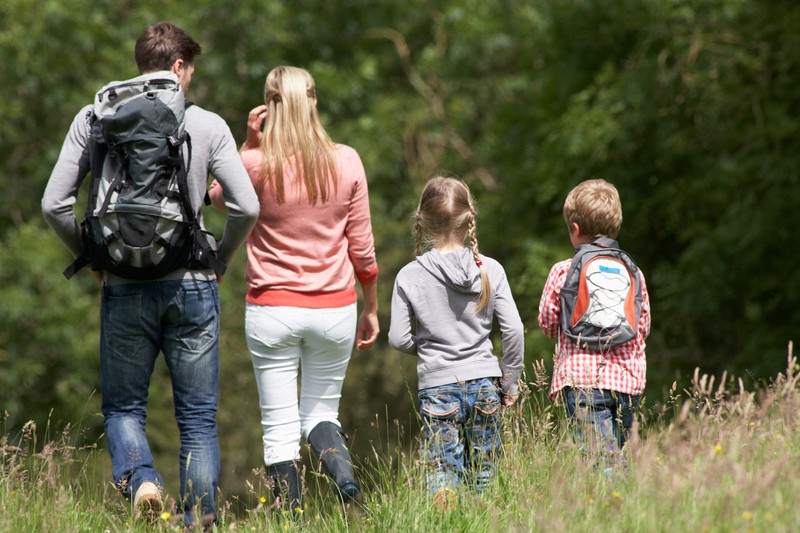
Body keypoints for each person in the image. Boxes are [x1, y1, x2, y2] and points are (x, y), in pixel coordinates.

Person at [42, 22, 259, 527]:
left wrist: (95, 256)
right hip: (192, 286)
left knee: (123, 410)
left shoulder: (94, 118)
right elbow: (246, 207)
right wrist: (220, 258)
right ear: (179, 67)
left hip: (122, 286)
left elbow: (54, 205)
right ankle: (200, 520)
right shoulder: (205, 124)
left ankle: (141, 480)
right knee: (199, 420)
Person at [208, 66, 379, 512]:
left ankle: (292, 518)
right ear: (314, 102)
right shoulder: (347, 160)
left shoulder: (253, 164)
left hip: (272, 309)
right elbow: (362, 248)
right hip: (335, 307)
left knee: (279, 427)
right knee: (321, 414)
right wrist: (372, 306)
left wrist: (248, 146)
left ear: (268, 108)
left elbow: (216, 197)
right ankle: (343, 476)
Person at [388, 176, 524, 507]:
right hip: (484, 384)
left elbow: (397, 338)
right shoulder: (490, 269)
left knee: (442, 470)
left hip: (437, 385)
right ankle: (485, 521)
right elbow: (515, 330)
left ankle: (446, 516)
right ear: (470, 217)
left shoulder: (409, 275)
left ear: (420, 219)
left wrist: (428, 344)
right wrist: (511, 380)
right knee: (485, 470)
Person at [538, 178, 650, 473]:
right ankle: (619, 510)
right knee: (614, 454)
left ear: (574, 228)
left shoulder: (563, 270)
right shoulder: (633, 271)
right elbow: (643, 325)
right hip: (627, 382)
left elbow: (549, 323)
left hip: (583, 380)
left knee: (603, 461)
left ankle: (614, 511)